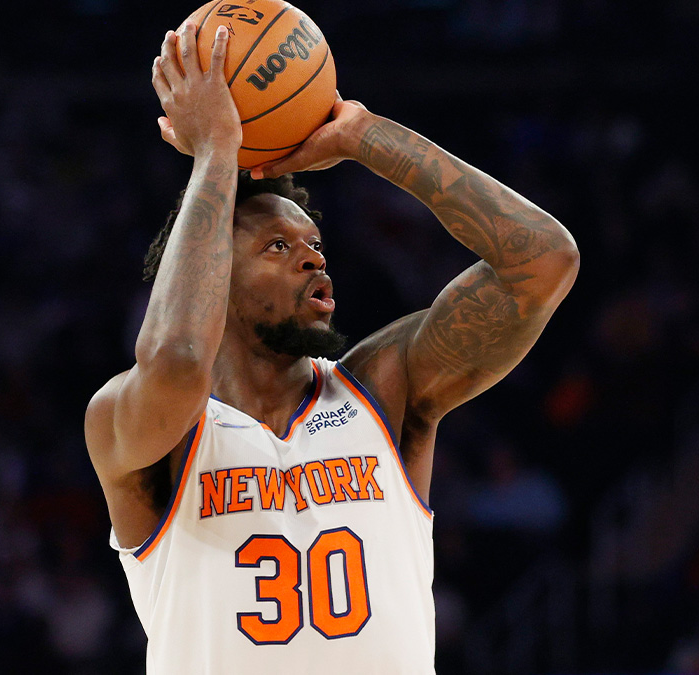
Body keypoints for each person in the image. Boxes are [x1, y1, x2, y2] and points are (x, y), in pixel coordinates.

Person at [84, 20, 579, 674]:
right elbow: (178, 358)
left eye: (315, 245)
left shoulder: (383, 387)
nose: (314, 260)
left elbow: (543, 261)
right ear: (212, 275)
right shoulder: (141, 420)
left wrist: (362, 135)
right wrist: (216, 152)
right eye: (278, 247)